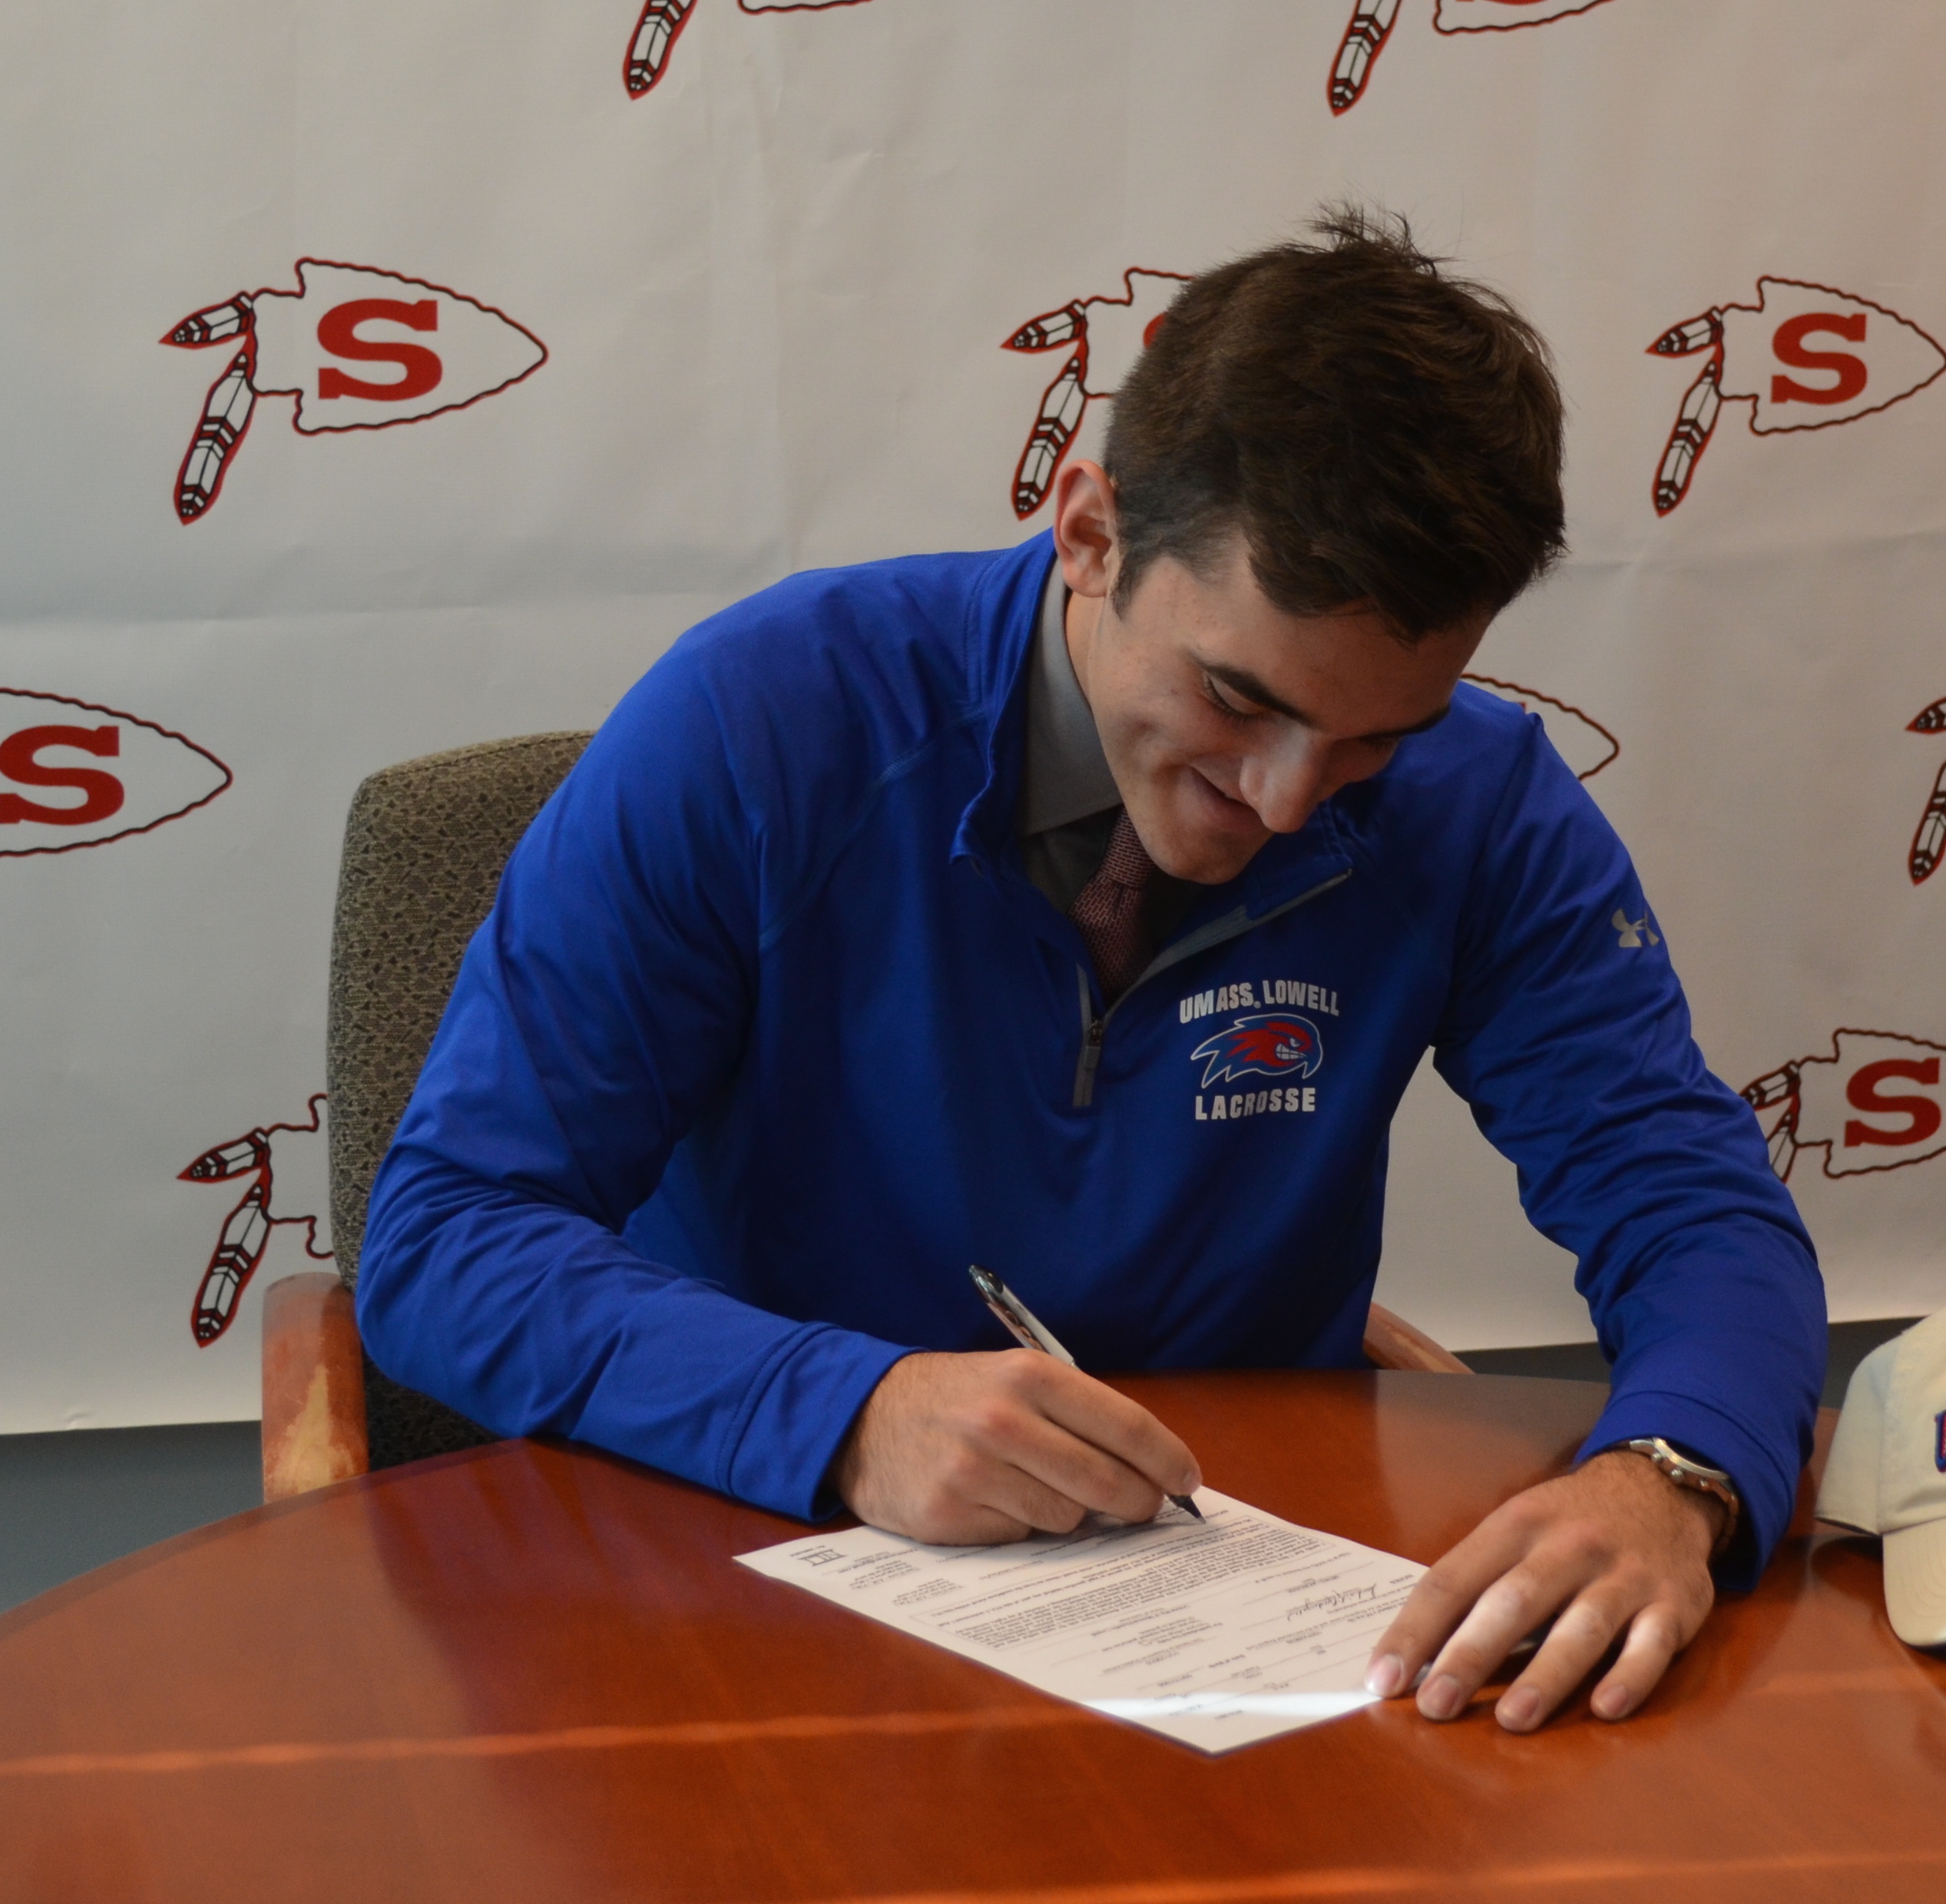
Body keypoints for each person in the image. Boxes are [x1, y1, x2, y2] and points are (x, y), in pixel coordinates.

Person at [356, 207, 1825, 1733]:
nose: (1285, 802)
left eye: (1373, 739)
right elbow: (446, 1237)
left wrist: (1673, 1473)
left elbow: (1690, 1204)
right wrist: (846, 1412)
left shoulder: (1481, 800)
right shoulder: (762, 724)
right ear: (1089, 532)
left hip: (1239, 1623)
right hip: (751, 1577)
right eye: (1236, 699)